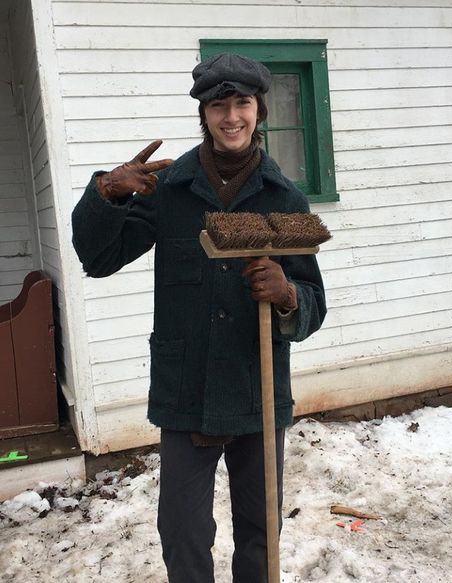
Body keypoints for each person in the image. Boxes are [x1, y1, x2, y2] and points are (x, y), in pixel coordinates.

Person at [72, 52, 326, 583]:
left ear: (259, 111)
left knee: (261, 534)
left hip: (257, 393)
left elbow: (312, 303)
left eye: (243, 104)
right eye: (219, 106)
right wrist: (106, 195)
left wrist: (287, 295)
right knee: (183, 534)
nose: (231, 117)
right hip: (186, 392)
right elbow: (97, 260)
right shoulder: (172, 190)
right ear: (204, 115)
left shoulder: (285, 197)